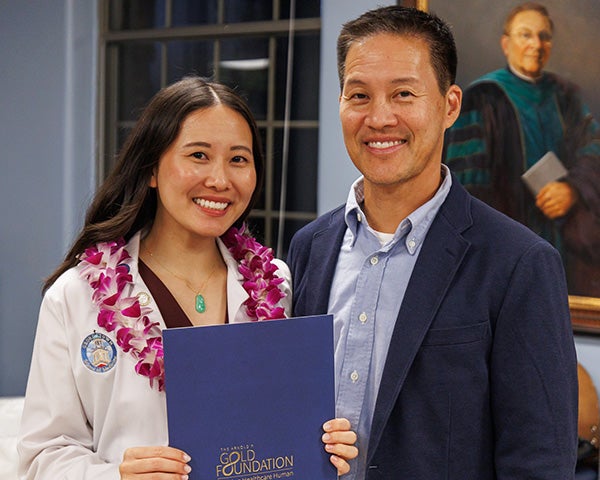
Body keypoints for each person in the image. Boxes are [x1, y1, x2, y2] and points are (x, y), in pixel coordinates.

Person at [287, 5, 577, 479]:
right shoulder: (308, 248)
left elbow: (540, 464)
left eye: (403, 93)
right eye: (358, 95)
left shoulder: (519, 264)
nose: (379, 118)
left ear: (450, 106)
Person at [18, 77, 357, 479]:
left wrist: (325, 444)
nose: (219, 180)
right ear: (151, 170)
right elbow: (41, 457)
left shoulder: (275, 287)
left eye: (238, 159)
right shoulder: (77, 298)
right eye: (198, 155)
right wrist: (116, 476)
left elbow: (285, 423)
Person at [444, 2, 600, 296]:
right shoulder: (483, 98)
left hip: (567, 245)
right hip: (507, 248)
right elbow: (468, 189)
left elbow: (593, 146)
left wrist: (573, 189)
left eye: (544, 36)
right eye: (525, 35)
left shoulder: (566, 96)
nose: (536, 45)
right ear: (506, 44)